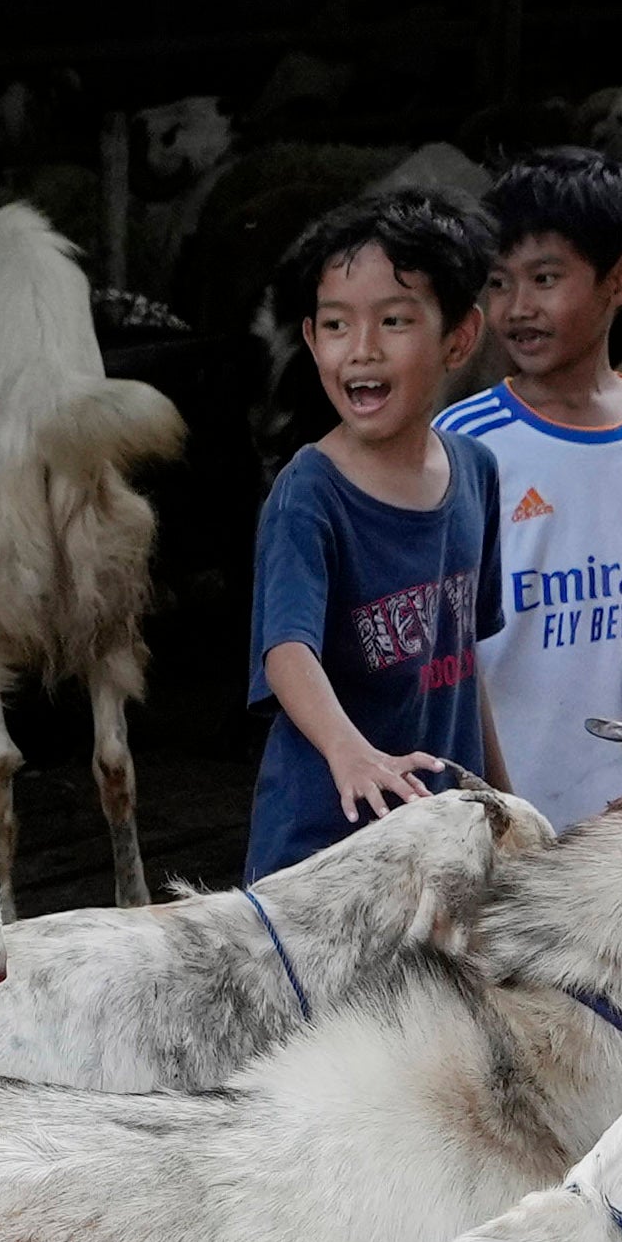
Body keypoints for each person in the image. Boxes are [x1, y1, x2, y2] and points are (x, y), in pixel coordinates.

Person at [439, 146, 622, 832]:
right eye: (499, 282)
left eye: (544, 278)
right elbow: (434, 644)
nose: (516, 308)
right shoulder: (458, 444)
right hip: (484, 814)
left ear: (620, 279)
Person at [245, 190, 510, 877]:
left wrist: (505, 804)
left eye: (393, 321)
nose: (360, 350)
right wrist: (349, 750)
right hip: (325, 854)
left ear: (459, 337)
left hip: (442, 848)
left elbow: (462, 659)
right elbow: (286, 650)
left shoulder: (476, 472)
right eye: (336, 325)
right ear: (309, 338)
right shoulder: (308, 495)